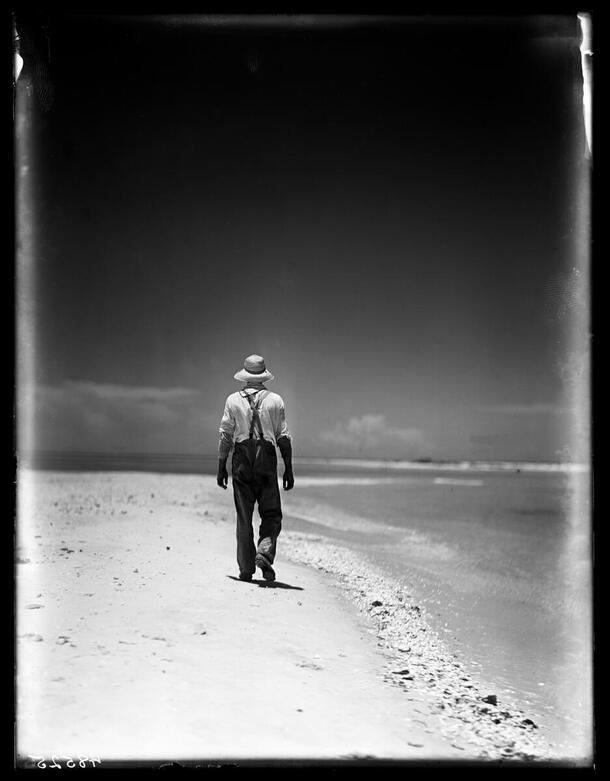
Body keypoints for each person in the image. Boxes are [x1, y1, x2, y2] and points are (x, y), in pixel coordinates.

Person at [216, 354, 294, 582]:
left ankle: (246, 568)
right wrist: (288, 468)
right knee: (271, 512)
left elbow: (225, 436)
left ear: (245, 375)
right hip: (266, 459)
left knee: (244, 515)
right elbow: (284, 437)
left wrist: (222, 466)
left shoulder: (232, 400)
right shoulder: (275, 400)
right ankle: (265, 550)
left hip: (241, 457)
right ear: (263, 375)